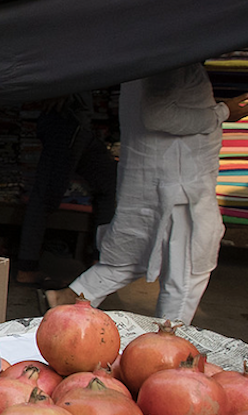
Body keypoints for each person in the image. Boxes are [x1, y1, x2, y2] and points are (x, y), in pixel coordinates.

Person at [45, 66, 248, 322]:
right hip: (180, 189)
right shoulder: (176, 55)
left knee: (131, 258)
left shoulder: (152, 50)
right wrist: (224, 112)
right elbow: (158, 116)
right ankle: (165, 347)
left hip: (159, 180)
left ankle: (67, 299)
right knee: (185, 275)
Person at [16, 93, 117, 288]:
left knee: (110, 182)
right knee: (46, 195)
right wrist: (60, 88)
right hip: (66, 118)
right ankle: (26, 268)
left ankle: (101, 261)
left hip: (79, 120)